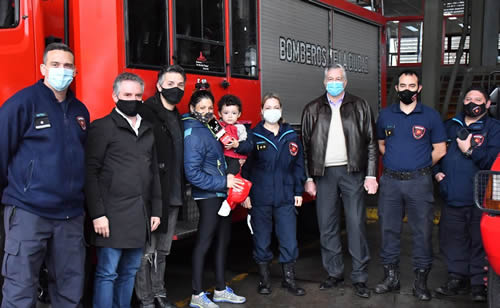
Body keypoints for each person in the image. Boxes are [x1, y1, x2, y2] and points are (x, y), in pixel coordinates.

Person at [0, 42, 88, 308]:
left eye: (67, 66)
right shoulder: (21, 103)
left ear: (74, 71)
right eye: (55, 65)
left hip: (70, 216)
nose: (62, 70)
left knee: (70, 289)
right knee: (20, 287)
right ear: (43, 68)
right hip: (29, 212)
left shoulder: (80, 111)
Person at [301, 63, 378, 298]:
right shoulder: (312, 108)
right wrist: (308, 178)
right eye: (330, 79)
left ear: (345, 82)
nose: (334, 82)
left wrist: (371, 174)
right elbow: (305, 147)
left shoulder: (360, 105)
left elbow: (371, 143)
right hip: (324, 175)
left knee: (355, 224)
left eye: (338, 78)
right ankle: (334, 273)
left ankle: (360, 277)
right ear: (325, 82)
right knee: (327, 225)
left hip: (352, 172)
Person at [85, 72, 162, 308]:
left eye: (138, 95)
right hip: (111, 216)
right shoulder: (102, 127)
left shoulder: (147, 129)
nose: (133, 99)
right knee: (108, 273)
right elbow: (90, 172)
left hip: (139, 214)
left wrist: (156, 210)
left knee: (129, 271)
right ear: (114, 96)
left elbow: (154, 173)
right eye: (127, 94)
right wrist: (98, 214)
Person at [375, 70, 447, 301]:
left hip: (419, 182)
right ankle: (391, 278)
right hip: (391, 182)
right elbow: (382, 145)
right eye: (402, 85)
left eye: (412, 85)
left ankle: (420, 283)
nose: (407, 89)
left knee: (422, 232)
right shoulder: (386, 115)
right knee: (388, 231)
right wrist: (398, 163)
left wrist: (420, 165)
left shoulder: (431, 116)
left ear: (419, 88)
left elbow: (440, 150)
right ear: (396, 88)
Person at [433, 86, 500, 302]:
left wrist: (470, 150)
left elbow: (493, 162)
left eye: (478, 99)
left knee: (478, 241)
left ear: (487, 104)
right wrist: (437, 174)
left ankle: (478, 284)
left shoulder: (494, 128)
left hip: (480, 198)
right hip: (452, 195)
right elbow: (436, 151)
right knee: (452, 239)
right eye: (469, 98)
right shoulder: (450, 126)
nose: (473, 103)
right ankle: (456, 278)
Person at [183, 90, 246, 308]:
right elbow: (192, 174)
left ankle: (220, 289)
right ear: (192, 109)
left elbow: (228, 148)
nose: (208, 112)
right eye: (202, 109)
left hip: (222, 192)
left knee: (223, 239)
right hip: (209, 193)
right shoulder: (191, 132)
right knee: (205, 241)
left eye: (210, 108)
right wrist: (223, 182)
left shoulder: (212, 125)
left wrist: (236, 163)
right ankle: (197, 294)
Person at [241, 93, 306, 296]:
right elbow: (246, 170)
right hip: (260, 196)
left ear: (281, 110)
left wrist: (298, 191)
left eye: (275, 107)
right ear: (261, 111)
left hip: (286, 195)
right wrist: (245, 194)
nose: (272, 111)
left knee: (289, 239)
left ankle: (289, 279)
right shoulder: (253, 136)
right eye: (267, 107)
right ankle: (265, 280)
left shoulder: (291, 135)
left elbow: (298, 166)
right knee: (261, 239)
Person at [134, 65, 186, 308]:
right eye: (170, 83)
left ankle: (159, 293)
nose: (175, 89)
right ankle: (145, 299)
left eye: (180, 85)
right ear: (158, 86)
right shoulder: (145, 113)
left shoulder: (178, 116)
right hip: (152, 195)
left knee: (162, 251)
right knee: (146, 252)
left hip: (173, 194)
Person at [217, 94, 253, 216]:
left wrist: (237, 144)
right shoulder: (217, 126)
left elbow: (246, 142)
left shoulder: (241, 128)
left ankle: (229, 202)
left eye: (234, 113)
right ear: (220, 114)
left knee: (234, 180)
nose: (230, 116)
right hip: (221, 158)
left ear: (239, 114)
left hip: (235, 158)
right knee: (235, 183)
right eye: (226, 113)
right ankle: (231, 201)